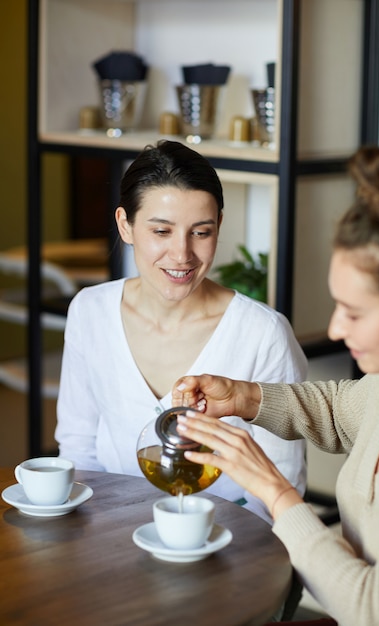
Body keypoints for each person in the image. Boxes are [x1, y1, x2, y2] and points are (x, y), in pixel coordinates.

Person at [172, 145, 379, 625]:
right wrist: (242, 397)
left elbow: (376, 612)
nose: (335, 328)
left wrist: (274, 490)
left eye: (355, 312)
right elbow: (341, 408)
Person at [55, 139, 307, 521]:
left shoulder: (263, 333)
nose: (181, 255)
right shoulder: (90, 311)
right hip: (109, 536)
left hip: (226, 546)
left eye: (200, 232)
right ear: (126, 225)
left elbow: (280, 481)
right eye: (161, 231)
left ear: (219, 226)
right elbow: (77, 449)